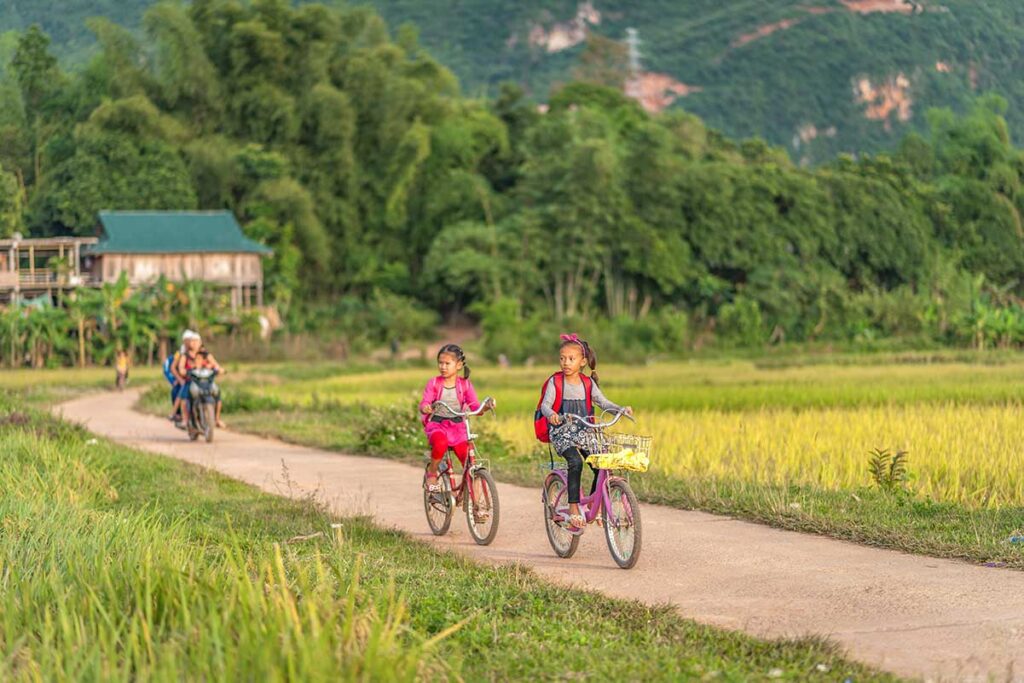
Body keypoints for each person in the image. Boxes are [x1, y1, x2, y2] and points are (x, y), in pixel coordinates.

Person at [539, 334, 632, 530]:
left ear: (582, 362)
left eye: (571, 359)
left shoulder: (587, 383)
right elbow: (545, 405)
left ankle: (592, 506)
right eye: (562, 358)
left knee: (601, 465)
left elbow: (603, 402)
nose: (566, 363)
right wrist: (552, 415)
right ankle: (573, 509)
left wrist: (621, 409)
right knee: (575, 462)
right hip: (563, 433)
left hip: (586, 433)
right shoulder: (555, 382)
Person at [418, 344, 493, 492]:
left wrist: (485, 407)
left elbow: (475, 407)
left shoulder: (465, 385)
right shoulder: (434, 383)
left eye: (447, 363)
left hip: (458, 427)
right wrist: (426, 407)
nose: (443, 367)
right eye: (440, 363)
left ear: (458, 365)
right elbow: (425, 401)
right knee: (440, 443)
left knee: (468, 461)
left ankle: (477, 504)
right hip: (437, 424)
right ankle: (432, 473)